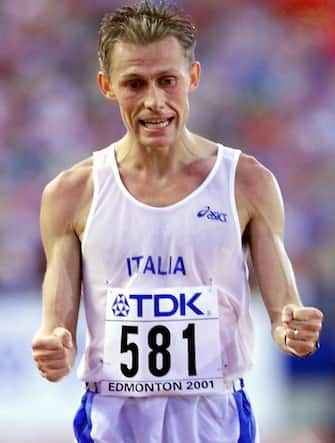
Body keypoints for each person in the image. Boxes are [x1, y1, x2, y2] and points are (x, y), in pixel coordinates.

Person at [31, 1, 323, 442]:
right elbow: (58, 326)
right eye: (134, 84)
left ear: (193, 78)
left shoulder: (245, 182)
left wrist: (292, 329)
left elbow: (284, 310)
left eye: (168, 81)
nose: (154, 102)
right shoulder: (71, 194)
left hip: (214, 417)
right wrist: (54, 346)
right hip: (114, 419)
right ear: (106, 86)